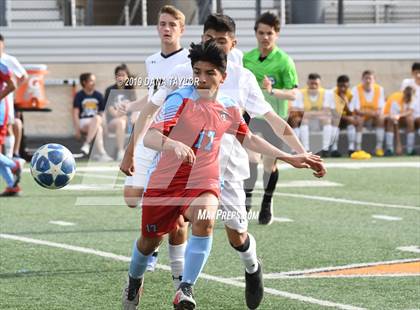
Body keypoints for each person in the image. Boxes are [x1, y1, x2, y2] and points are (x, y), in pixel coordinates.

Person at [121, 13, 325, 310]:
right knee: (151, 240)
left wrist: (293, 155)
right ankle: (138, 281)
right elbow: (152, 126)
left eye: (210, 71)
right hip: (169, 176)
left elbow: (256, 134)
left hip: (218, 173)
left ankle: (194, 285)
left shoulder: (237, 90)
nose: (202, 77)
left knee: (217, 225)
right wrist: (162, 146)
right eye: (198, 71)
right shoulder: (180, 88)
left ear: (230, 50)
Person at [122, 5, 190, 276]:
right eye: (162, 24)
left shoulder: (189, 61)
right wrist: (132, 107)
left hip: (174, 139)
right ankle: (155, 238)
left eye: (172, 25)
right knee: (130, 197)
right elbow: (154, 97)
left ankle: (158, 252)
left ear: (181, 29)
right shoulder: (151, 60)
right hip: (150, 134)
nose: (166, 29)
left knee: (169, 207)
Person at [242, 11, 298, 223]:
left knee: (268, 165)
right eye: (261, 33)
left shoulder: (284, 61)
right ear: (255, 33)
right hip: (252, 117)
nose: (265, 37)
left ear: (277, 34)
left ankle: (266, 202)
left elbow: (293, 93)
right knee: (250, 159)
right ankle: (246, 200)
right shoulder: (247, 59)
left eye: (269, 33)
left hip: (275, 118)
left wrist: (272, 90)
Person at [289, 73, 332, 156]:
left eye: (316, 84)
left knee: (327, 120)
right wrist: (317, 113)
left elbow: (327, 111)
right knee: (299, 120)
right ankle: (306, 149)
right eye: (312, 84)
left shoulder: (325, 93)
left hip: (319, 121)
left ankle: (325, 149)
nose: (314, 86)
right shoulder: (300, 93)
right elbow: (298, 111)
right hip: (306, 120)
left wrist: (308, 113)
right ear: (307, 83)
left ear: (319, 84)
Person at [73, 73, 112, 161]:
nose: (94, 83)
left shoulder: (98, 95)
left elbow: (103, 113)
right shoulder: (79, 95)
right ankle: (98, 151)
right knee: (97, 120)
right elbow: (75, 113)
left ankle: (95, 150)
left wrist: (105, 126)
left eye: (94, 81)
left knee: (99, 127)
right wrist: (77, 129)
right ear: (84, 82)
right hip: (84, 121)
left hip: (96, 121)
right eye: (91, 81)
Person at [0, 34, 27, 159]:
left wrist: (12, 91)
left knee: (8, 126)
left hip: (4, 100)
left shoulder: (8, 60)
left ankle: (10, 157)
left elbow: (23, 76)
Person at [349, 70, 385, 157]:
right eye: (366, 78)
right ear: (362, 79)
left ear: (374, 80)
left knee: (381, 118)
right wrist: (371, 113)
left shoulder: (379, 89)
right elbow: (356, 110)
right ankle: (358, 149)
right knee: (359, 119)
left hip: (373, 118)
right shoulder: (356, 89)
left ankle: (379, 148)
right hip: (361, 117)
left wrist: (370, 113)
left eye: (370, 78)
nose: (368, 81)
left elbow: (380, 110)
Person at [104, 64, 136, 161]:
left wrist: (132, 117)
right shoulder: (110, 90)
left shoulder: (130, 90)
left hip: (128, 122)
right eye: (118, 75)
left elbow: (134, 108)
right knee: (120, 121)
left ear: (127, 77)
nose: (120, 77)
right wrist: (123, 115)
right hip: (113, 122)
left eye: (123, 75)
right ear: (115, 77)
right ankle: (121, 152)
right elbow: (111, 111)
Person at [0, 61, 22, 196]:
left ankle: (14, 165)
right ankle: (12, 185)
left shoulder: (1, 66)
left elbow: (12, 85)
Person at [326, 75, 358, 156]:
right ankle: (334, 149)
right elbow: (332, 112)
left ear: (348, 86)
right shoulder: (331, 93)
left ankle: (351, 149)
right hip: (336, 118)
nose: (343, 89)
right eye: (340, 86)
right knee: (335, 120)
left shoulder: (352, 94)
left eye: (345, 86)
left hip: (346, 117)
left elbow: (352, 112)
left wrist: (346, 103)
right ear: (337, 85)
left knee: (352, 121)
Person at [383, 86, 415, 156]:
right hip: (387, 115)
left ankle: (410, 149)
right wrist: (398, 143)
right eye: (407, 97)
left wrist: (400, 115)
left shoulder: (413, 99)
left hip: (400, 116)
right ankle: (390, 149)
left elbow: (410, 111)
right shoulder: (395, 100)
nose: (408, 100)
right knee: (391, 120)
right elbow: (395, 121)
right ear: (403, 94)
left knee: (410, 119)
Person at [401, 62, 420, 138]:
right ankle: (410, 149)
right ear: (412, 73)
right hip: (408, 112)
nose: (418, 75)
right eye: (416, 73)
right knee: (410, 120)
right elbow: (404, 98)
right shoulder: (406, 82)